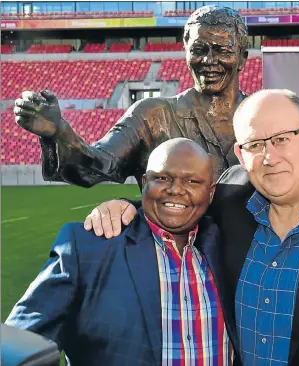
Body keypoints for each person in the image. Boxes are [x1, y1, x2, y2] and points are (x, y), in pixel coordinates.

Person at [84, 89, 299, 366]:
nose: (269, 157)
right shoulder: (231, 196)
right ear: (239, 154)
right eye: (255, 145)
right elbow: (177, 205)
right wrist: (127, 207)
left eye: (281, 139)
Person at [14, 5, 299, 190]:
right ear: (185, 53)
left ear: (243, 57)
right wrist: (59, 132)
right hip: (172, 272)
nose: (209, 61)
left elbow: (293, 180)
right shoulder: (152, 115)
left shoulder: (262, 119)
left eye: (222, 50)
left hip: (247, 274)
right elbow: (97, 166)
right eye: (199, 49)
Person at [6, 138, 240, 366]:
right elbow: (19, 343)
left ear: (210, 193)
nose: (175, 190)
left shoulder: (227, 242)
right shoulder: (87, 247)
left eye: (192, 182)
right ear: (144, 182)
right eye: (162, 178)